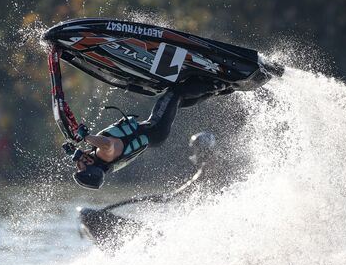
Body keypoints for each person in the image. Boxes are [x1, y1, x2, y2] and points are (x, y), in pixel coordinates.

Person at [70, 79, 232, 189]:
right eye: (80, 167)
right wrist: (86, 136)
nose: (78, 163)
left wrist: (75, 151)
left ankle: (218, 90)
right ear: (92, 168)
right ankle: (218, 85)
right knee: (175, 92)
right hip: (154, 128)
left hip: (154, 134)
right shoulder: (103, 154)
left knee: (178, 100)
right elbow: (108, 144)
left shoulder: (104, 163)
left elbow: (93, 152)